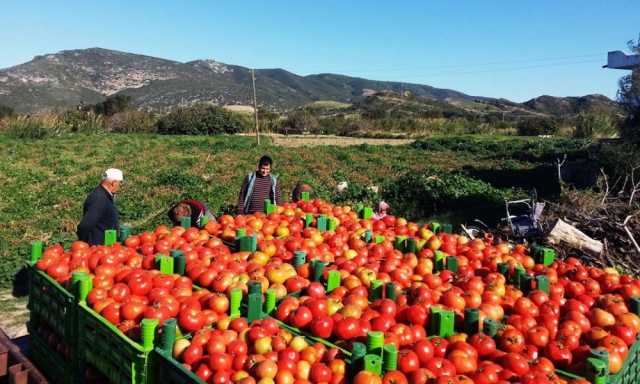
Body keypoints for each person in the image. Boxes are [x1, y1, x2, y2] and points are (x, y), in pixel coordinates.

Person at [77, 168, 123, 245]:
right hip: (97, 248)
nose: (120, 186)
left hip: (105, 245)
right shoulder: (99, 198)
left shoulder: (105, 195)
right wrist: (84, 243)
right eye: (120, 183)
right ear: (114, 183)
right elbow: (85, 225)